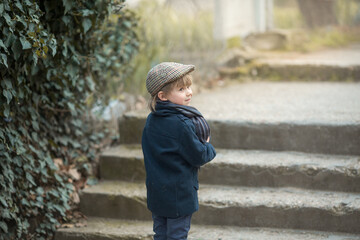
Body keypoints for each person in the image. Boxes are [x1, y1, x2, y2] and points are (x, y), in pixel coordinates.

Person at [142, 62, 216, 240]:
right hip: (179, 195)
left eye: (189, 86)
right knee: (177, 235)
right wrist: (207, 145)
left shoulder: (151, 120)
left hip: (157, 192)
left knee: (160, 233)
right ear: (162, 96)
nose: (189, 92)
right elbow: (198, 156)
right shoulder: (182, 124)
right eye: (181, 89)